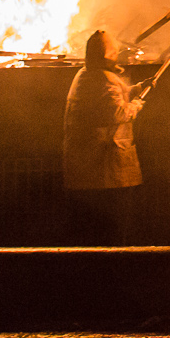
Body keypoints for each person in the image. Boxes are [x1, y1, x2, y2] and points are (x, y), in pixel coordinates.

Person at [62, 30, 146, 245]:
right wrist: (136, 105)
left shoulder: (86, 74)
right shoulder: (102, 77)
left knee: (92, 227)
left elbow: (110, 96)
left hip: (88, 166)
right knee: (112, 227)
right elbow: (117, 112)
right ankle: (113, 266)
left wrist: (136, 89)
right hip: (107, 167)